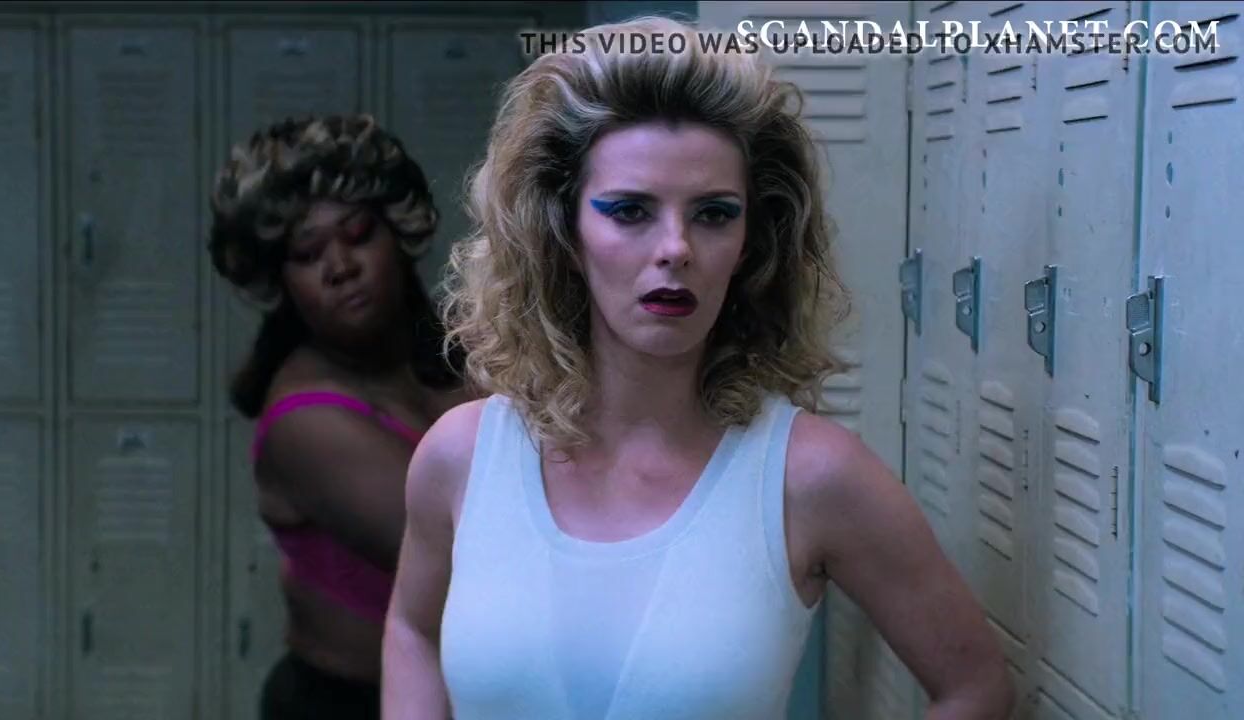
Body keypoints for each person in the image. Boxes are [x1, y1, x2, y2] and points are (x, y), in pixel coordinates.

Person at [381, 16, 1014, 720]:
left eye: (713, 214)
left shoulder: (811, 476)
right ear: (563, 232)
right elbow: (412, 629)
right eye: (630, 211)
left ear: (749, 243)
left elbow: (975, 685)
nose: (676, 248)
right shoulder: (462, 456)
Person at [208, 114, 472, 719]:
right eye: (307, 254)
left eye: (357, 234)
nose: (340, 267)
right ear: (282, 279)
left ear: (397, 233)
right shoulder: (305, 422)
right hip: (342, 705)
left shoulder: (467, 353)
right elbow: (467, 553)